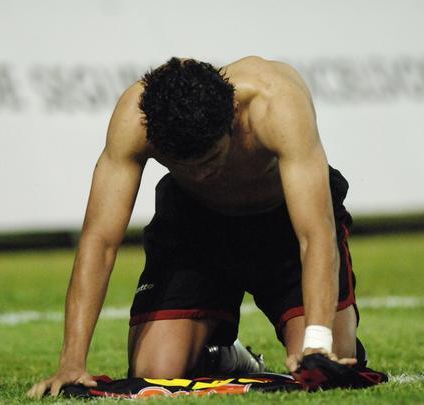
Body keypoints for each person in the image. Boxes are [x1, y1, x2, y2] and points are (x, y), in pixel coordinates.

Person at [28, 56, 362, 399]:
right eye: (184, 167)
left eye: (210, 160)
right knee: (154, 373)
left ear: (232, 120)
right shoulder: (135, 118)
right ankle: (225, 356)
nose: (202, 175)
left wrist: (318, 343)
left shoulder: (276, 105)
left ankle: (326, 331)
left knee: (327, 362)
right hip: (196, 226)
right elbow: (100, 241)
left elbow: (315, 234)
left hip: (284, 225)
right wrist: (71, 361)